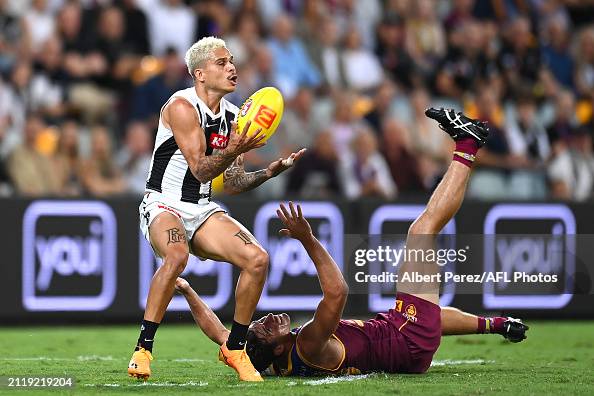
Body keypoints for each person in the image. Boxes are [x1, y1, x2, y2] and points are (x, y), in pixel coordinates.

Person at [173, 108, 529, 376]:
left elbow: (219, 333)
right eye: (266, 328)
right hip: (408, 341)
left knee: (417, 302)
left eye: (258, 322)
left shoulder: (268, 356)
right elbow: (338, 292)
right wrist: (308, 239)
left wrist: (189, 292)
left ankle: (497, 324)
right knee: (421, 231)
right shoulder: (308, 345)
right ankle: (467, 145)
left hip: (402, 332)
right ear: (277, 347)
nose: (266, 318)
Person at [127, 36, 305, 382]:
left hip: (203, 207)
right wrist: (235, 145)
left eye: (232, 61)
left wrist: (270, 171)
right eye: (222, 63)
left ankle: (235, 347)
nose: (232, 68)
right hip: (164, 203)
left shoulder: (234, 117)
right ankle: (143, 348)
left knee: (258, 259)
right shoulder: (181, 106)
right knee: (177, 256)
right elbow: (200, 169)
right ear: (200, 74)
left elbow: (234, 181)